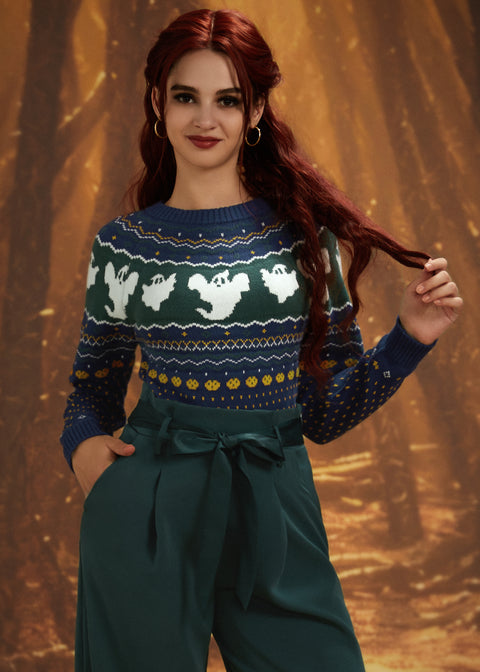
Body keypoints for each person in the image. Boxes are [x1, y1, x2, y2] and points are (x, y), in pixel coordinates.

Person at [61, 8, 463, 672]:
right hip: (149, 503)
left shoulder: (309, 243)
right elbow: (90, 392)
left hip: (276, 497)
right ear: (158, 104)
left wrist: (409, 339)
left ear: (254, 112)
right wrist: (86, 456)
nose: (205, 119)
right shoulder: (123, 248)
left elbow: (324, 414)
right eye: (186, 97)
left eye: (227, 99)